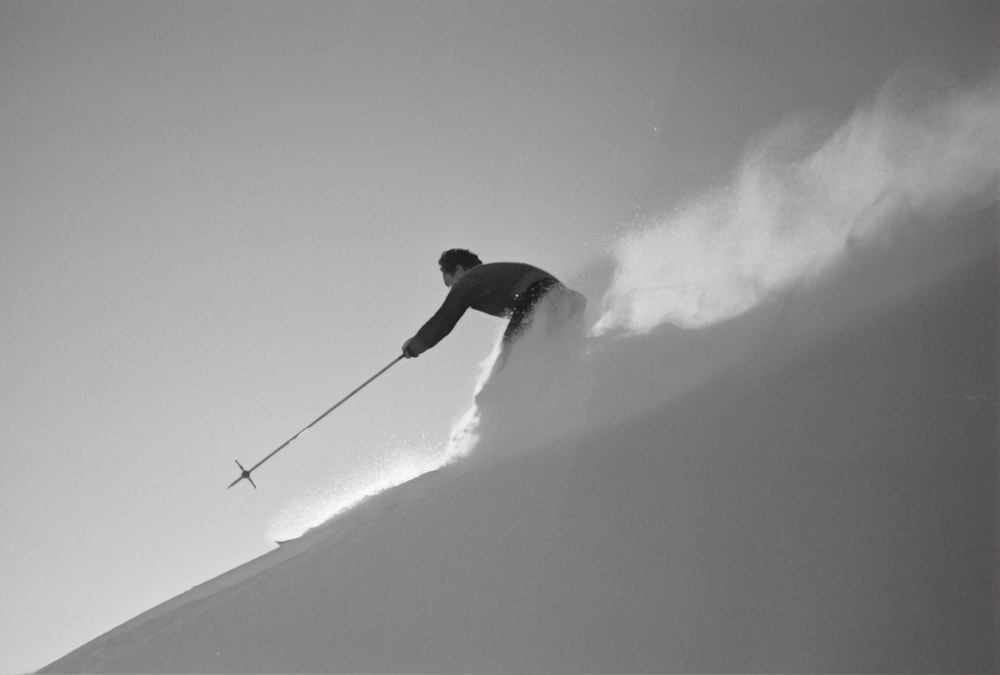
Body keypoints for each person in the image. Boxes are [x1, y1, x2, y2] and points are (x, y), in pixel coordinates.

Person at [401, 249, 586, 366]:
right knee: (553, 359)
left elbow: (444, 319)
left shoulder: (470, 279)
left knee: (510, 359)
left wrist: (415, 345)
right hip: (561, 299)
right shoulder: (491, 276)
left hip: (537, 298)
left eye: (450, 284)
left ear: (458, 270)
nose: (453, 290)